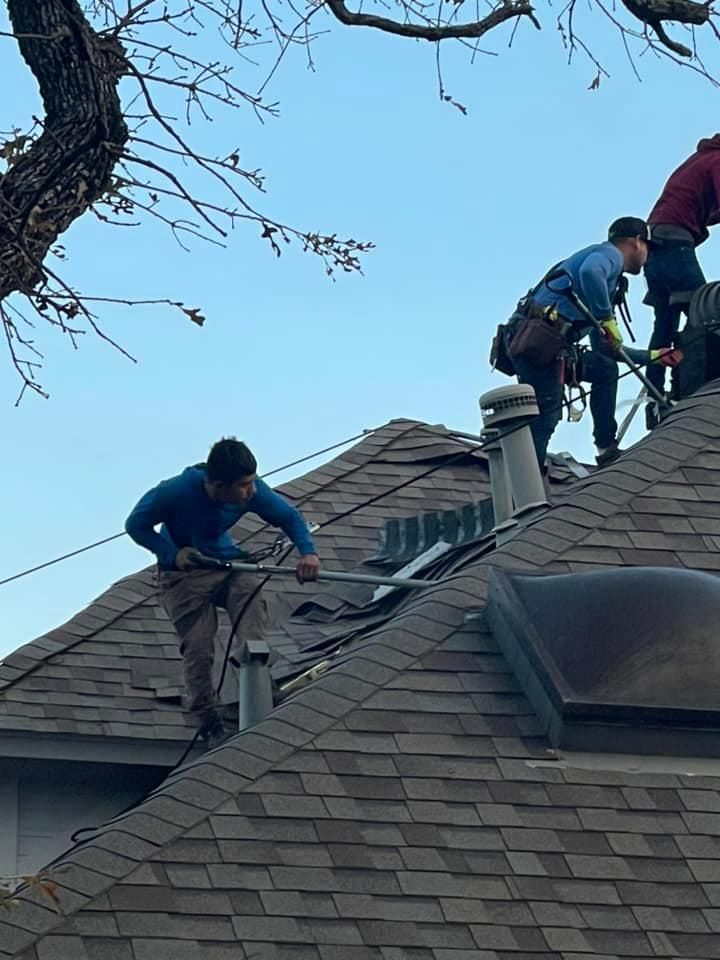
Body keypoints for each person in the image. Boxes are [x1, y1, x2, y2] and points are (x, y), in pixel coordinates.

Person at [125, 437, 320, 741]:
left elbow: (289, 517)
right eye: (243, 485)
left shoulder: (253, 490)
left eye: (252, 482)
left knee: (250, 598)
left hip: (227, 566)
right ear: (217, 486)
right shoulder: (174, 492)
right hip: (184, 575)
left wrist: (308, 552)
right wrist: (171, 554)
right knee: (199, 647)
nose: (251, 491)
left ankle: (255, 682)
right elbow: (135, 525)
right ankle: (206, 715)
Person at [505, 217, 677, 468]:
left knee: (604, 369)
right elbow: (590, 272)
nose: (648, 256)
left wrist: (652, 356)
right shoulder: (609, 255)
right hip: (537, 342)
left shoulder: (606, 279)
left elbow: (607, 349)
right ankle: (525, 487)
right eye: (648, 248)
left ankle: (605, 447)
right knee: (546, 414)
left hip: (540, 342)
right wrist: (607, 318)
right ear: (636, 242)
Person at [644, 135, 720, 405]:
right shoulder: (717, 160)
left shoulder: (699, 161)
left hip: (653, 246)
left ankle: (655, 396)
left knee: (664, 325)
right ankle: (697, 390)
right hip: (674, 243)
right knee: (707, 316)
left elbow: (702, 208)